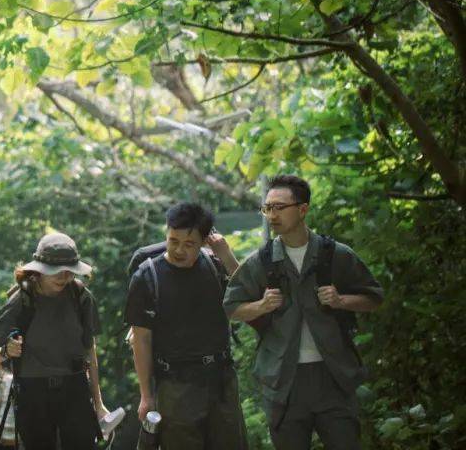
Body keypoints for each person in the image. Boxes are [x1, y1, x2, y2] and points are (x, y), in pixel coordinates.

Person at [224, 175, 384, 450]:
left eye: (279, 207)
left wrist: (341, 300)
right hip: (283, 383)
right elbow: (231, 308)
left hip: (333, 377)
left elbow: (373, 298)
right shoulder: (261, 261)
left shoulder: (335, 254)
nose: (271, 215)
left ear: (303, 209)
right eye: (267, 208)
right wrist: (261, 306)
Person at [0, 232, 124, 450]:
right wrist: (5, 351)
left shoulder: (81, 296)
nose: (63, 276)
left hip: (74, 387)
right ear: (39, 270)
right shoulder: (22, 299)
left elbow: (89, 351)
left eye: (69, 271)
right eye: (56, 271)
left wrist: (98, 403)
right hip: (33, 391)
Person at [124, 202, 246, 450]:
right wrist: (146, 396)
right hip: (175, 385)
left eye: (189, 244)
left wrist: (226, 254)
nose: (179, 249)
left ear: (204, 241)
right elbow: (141, 339)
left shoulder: (215, 266)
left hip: (220, 380)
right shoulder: (147, 277)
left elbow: (250, 292)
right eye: (173, 241)